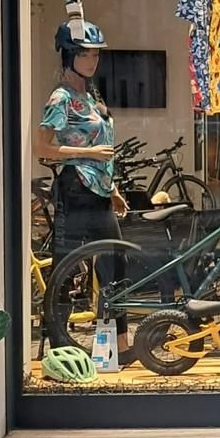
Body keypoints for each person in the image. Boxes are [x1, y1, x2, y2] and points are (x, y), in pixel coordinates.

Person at [35, 20, 135, 366]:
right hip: (75, 188)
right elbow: (41, 148)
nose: (92, 61)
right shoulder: (61, 98)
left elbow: (104, 146)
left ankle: (119, 343)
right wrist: (87, 153)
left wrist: (113, 189)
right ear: (68, 56)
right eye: (84, 54)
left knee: (115, 262)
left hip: (100, 191)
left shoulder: (91, 96)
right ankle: (58, 345)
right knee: (67, 266)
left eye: (95, 55)